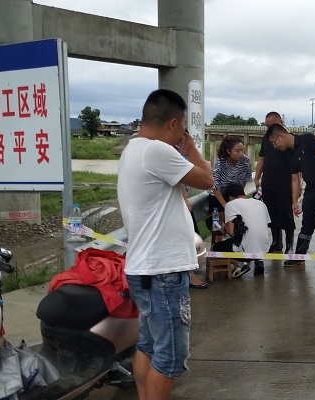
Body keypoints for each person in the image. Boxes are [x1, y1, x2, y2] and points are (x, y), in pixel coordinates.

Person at [117, 89, 214, 399]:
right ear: (174, 124)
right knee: (171, 357)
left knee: (148, 345)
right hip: (163, 273)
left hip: (144, 268)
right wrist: (192, 149)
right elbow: (208, 180)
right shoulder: (157, 151)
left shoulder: (133, 149)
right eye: (183, 127)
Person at [264, 124, 315, 269]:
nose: (274, 146)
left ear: (281, 136)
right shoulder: (289, 154)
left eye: (274, 142)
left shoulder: (308, 139)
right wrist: (294, 201)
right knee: (307, 223)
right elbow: (295, 179)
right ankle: (299, 256)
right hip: (311, 189)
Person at [254, 112, 300, 254]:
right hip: (268, 182)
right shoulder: (266, 139)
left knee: (286, 215)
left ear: (280, 123)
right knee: (272, 215)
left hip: (285, 183)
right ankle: (276, 242)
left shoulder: (290, 139)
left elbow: (298, 167)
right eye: (267, 126)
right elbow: (262, 158)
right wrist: (257, 177)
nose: (269, 128)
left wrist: (298, 187)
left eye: (272, 125)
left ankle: (290, 245)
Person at [210, 183, 272, 277]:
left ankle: (240, 264)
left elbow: (231, 232)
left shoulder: (230, 205)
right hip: (263, 249)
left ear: (230, 197)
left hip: (246, 251)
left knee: (214, 249)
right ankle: (255, 261)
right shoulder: (261, 203)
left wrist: (224, 229)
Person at [177, 132, 209, 289]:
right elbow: (207, 179)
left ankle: (188, 273)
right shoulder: (171, 152)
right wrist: (184, 197)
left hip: (179, 202)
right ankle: (189, 275)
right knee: (188, 238)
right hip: (177, 203)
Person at [207, 135, 252, 230]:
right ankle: (216, 242)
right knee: (217, 225)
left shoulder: (245, 161)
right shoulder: (220, 162)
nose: (241, 153)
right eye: (237, 151)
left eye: (242, 150)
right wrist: (225, 204)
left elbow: (244, 180)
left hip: (234, 194)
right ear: (228, 151)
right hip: (218, 195)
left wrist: (237, 197)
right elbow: (214, 186)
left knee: (235, 223)